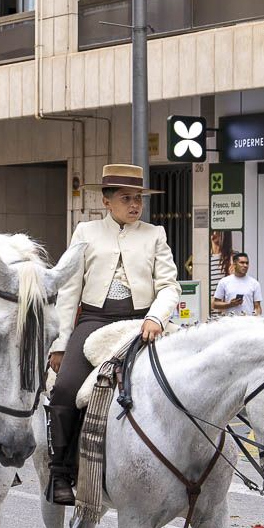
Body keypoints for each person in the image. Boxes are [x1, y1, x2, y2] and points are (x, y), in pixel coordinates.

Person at [45, 164, 181, 506]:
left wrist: (156, 318)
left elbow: (169, 286)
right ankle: (61, 471)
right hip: (93, 321)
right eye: (126, 198)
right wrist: (61, 343)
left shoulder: (155, 234)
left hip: (142, 324)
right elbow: (69, 291)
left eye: (138, 198)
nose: (135, 205)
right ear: (107, 201)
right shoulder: (85, 232)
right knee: (64, 389)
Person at [212, 251, 263, 316]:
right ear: (234, 264)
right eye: (242, 263)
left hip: (248, 323)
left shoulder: (255, 283)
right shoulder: (224, 281)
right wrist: (230, 304)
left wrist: (257, 317)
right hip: (230, 323)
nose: (245, 265)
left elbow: (257, 306)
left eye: (247, 263)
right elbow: (214, 304)